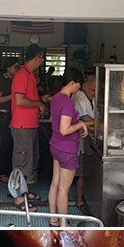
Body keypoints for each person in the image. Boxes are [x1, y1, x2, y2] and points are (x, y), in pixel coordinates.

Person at [47, 67, 88, 226]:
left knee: (55, 184)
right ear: (72, 83)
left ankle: (53, 219)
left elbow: (54, 121)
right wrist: (80, 124)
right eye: (79, 84)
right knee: (64, 189)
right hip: (67, 149)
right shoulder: (68, 103)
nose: (80, 87)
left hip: (55, 145)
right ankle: (64, 225)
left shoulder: (56, 98)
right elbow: (65, 130)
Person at [10, 44, 47, 211]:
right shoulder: (22, 75)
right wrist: (39, 103)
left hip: (30, 125)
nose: (41, 62)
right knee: (21, 161)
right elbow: (19, 101)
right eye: (41, 59)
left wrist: (41, 99)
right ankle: (18, 198)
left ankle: (24, 192)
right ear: (37, 58)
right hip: (22, 125)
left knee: (28, 161)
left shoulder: (29, 75)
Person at [71, 72, 96, 214]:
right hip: (80, 139)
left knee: (86, 170)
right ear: (85, 86)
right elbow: (85, 117)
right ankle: (80, 200)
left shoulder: (90, 97)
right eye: (92, 89)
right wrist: (102, 124)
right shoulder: (79, 96)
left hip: (88, 137)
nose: (94, 92)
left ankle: (87, 197)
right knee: (81, 171)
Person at [0, 57, 20, 183]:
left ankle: (8, 170)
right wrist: (13, 96)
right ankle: (0, 172)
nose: (17, 69)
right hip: (4, 115)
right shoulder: (1, 81)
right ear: (8, 68)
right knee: (3, 143)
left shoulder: (14, 79)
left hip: (12, 115)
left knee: (10, 143)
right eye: (15, 67)